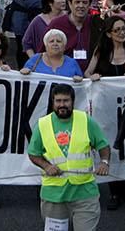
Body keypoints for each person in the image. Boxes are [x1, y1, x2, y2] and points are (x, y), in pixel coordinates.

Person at [27, 82, 111, 231]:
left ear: (73, 101)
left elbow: (103, 146)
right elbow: (33, 153)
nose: (62, 105)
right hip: (54, 195)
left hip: (85, 193)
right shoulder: (42, 124)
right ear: (52, 102)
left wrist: (104, 162)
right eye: (58, 101)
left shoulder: (86, 121)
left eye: (66, 100)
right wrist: (46, 166)